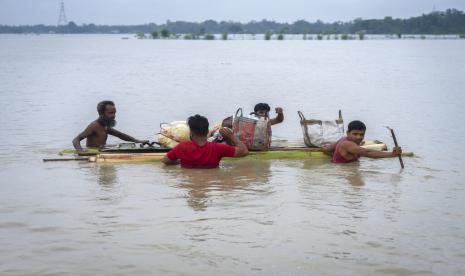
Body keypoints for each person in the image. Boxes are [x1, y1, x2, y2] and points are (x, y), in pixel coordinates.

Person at [162, 114, 248, 168]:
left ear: (191, 133)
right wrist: (231, 136)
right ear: (207, 132)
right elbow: (244, 151)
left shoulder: (182, 147)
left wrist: (181, 161)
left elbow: (165, 161)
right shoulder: (218, 148)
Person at [72, 100, 148, 152]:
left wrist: (137, 141)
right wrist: (81, 152)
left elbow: (120, 135)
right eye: (110, 113)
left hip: (101, 150)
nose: (114, 116)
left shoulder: (105, 126)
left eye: (114, 113)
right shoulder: (94, 126)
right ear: (101, 113)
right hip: (94, 152)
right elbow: (76, 140)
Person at [323, 120, 402, 163]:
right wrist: (392, 154)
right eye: (355, 134)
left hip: (342, 168)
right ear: (348, 133)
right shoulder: (347, 144)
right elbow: (367, 153)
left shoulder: (342, 139)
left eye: (361, 134)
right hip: (343, 171)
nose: (359, 137)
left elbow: (326, 150)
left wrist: (335, 158)